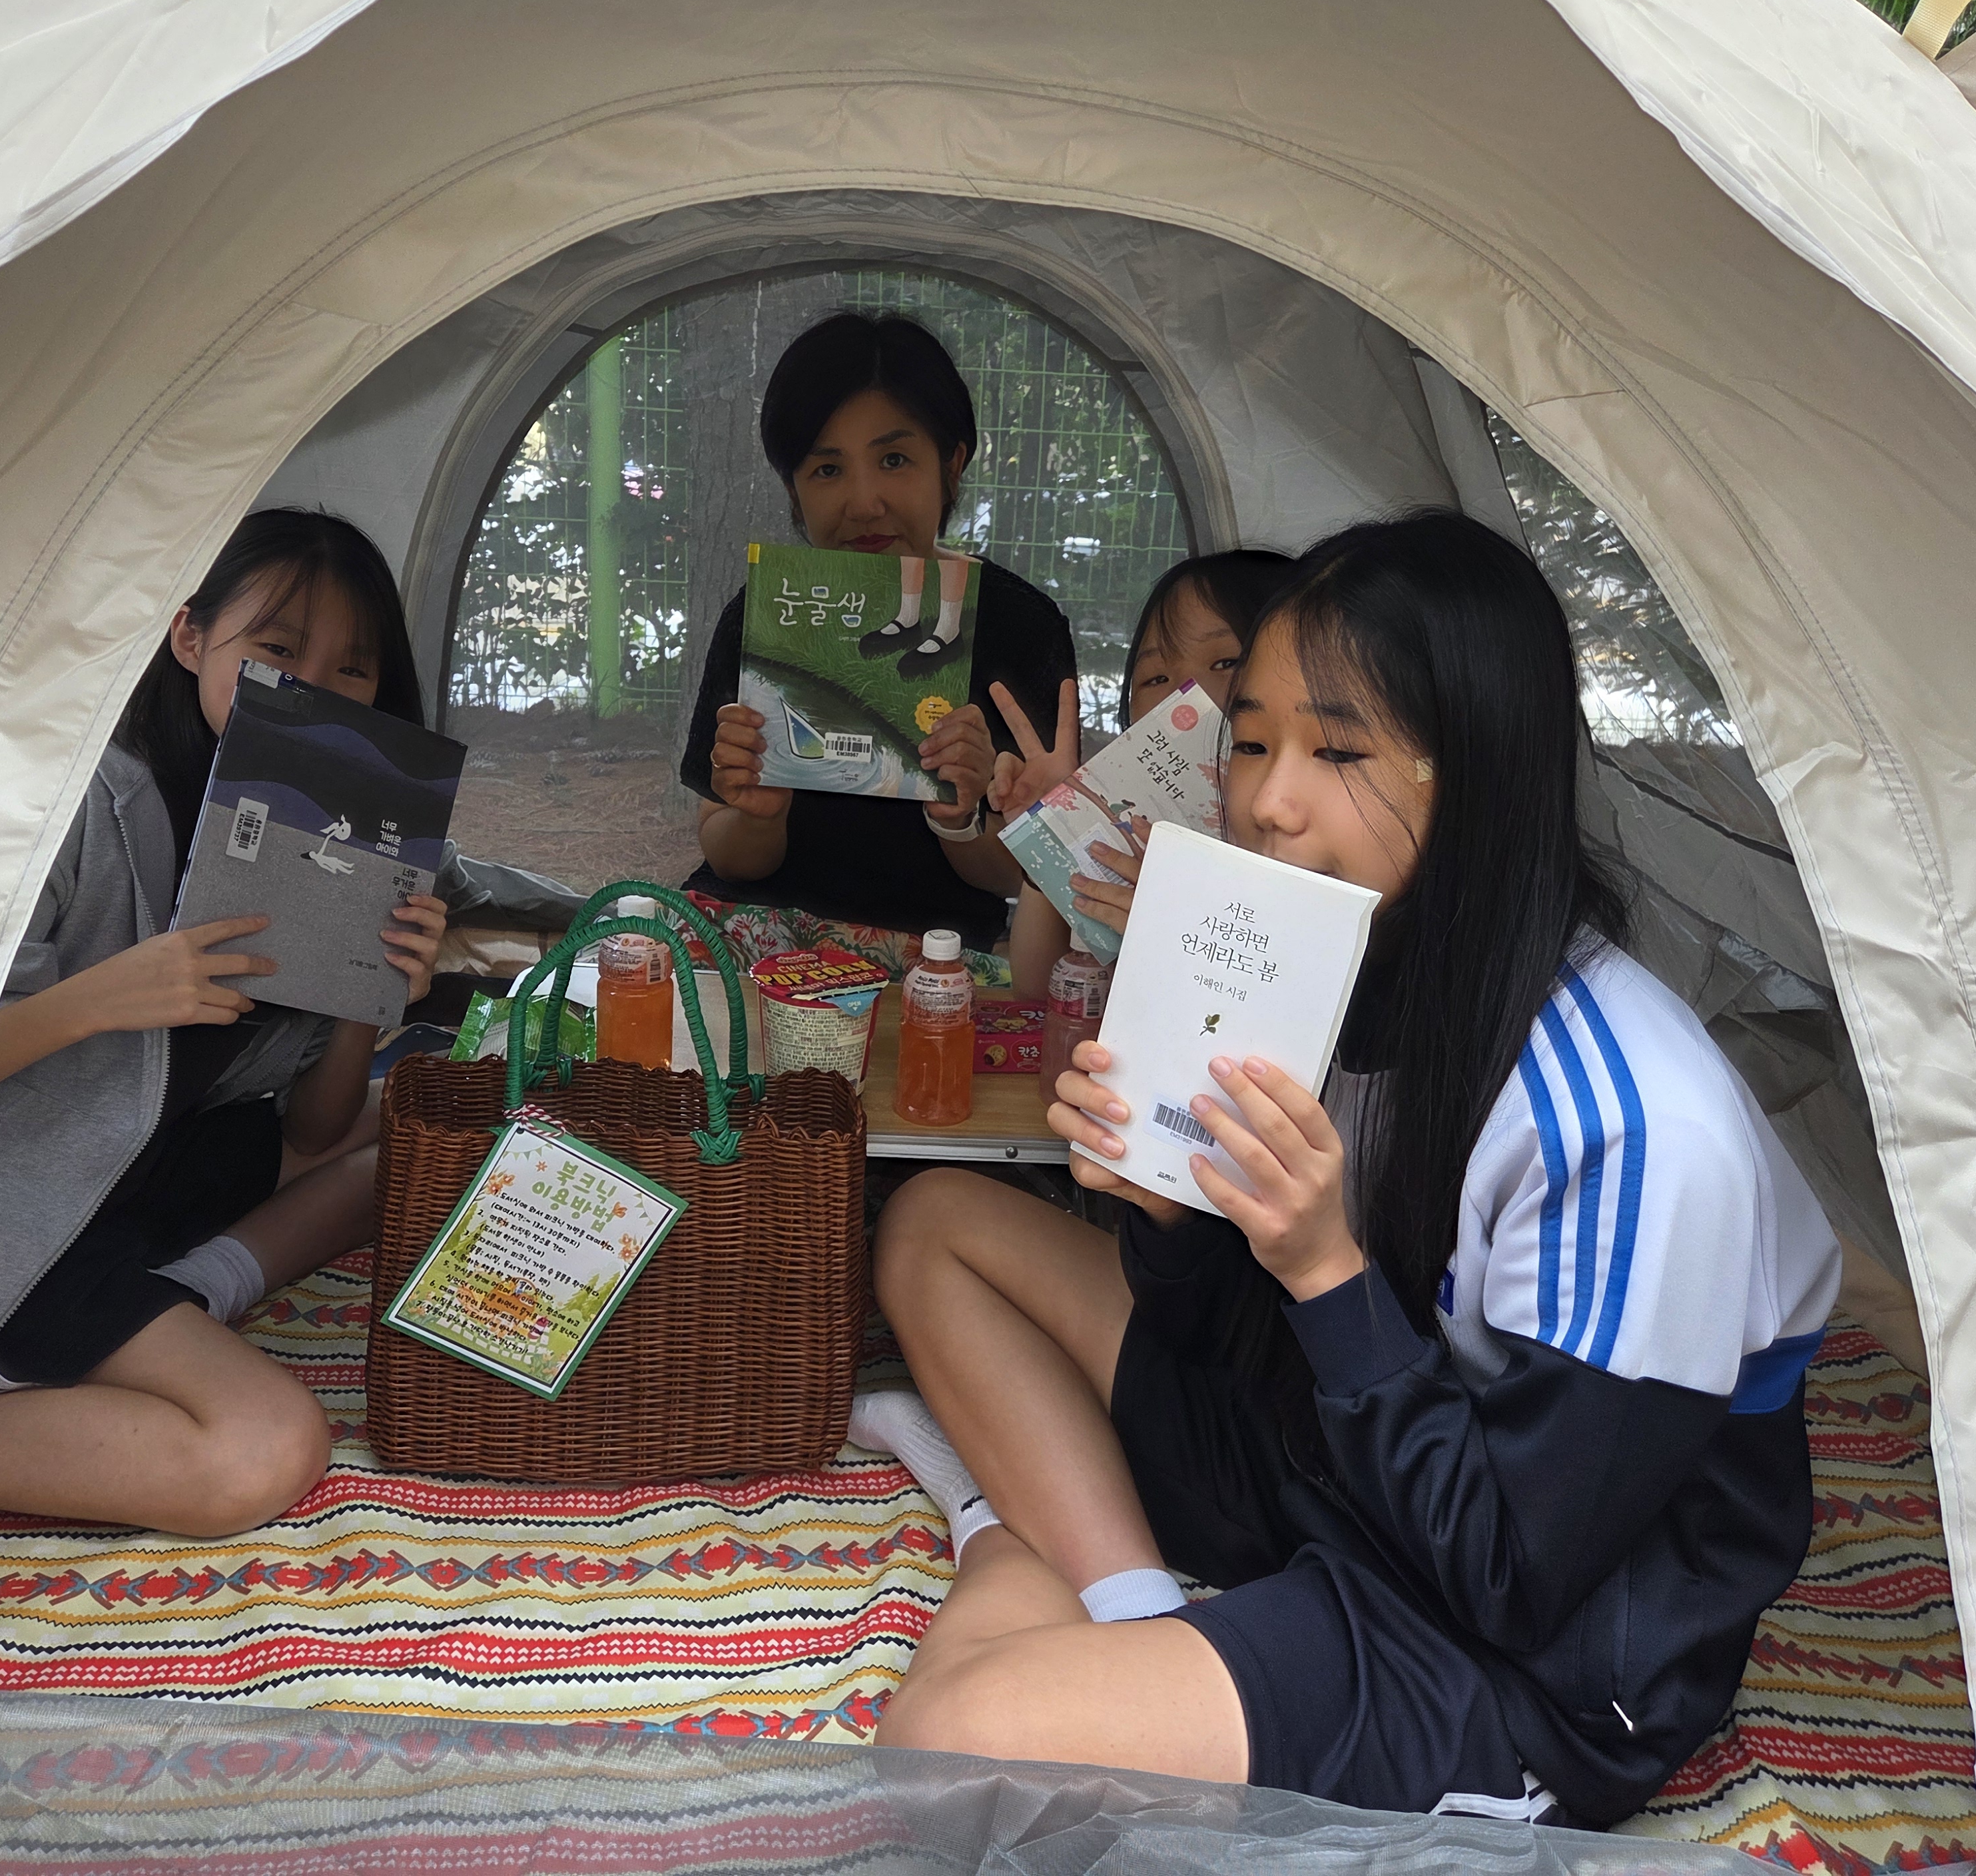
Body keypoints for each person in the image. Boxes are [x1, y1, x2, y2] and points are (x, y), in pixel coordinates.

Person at [858, 512, 1841, 1825]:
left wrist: (1321, 1267)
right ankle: (1130, 1601)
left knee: (953, 1748)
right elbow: (1231, 1337)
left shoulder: (1632, 1127)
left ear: (1476, 770)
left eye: (1338, 749)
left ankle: (1007, 1549)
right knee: (933, 1223)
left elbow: (1513, 1577)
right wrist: (1170, 1214)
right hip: (1338, 1471)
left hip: (1525, 1653)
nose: (1267, 799)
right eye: (1250, 739)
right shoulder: (1330, 965)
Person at [0, 509, 450, 1537]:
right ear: (190, 639)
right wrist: (103, 998)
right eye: (276, 648)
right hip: (1, 1208)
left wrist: (378, 991)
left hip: (142, 1175)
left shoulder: (342, 835)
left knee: (405, 1145)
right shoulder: (79, 806)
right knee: (263, 1449)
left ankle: (183, 1289)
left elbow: (311, 1132)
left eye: (350, 669)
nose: (312, 686)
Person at [679, 312, 1078, 968]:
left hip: (931, 959)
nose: (864, 502)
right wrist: (758, 815)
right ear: (793, 487)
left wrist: (958, 813)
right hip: (751, 941)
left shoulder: (1020, 627)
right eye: (826, 470)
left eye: (894, 459)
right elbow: (725, 850)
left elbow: (1019, 879)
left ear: (952, 465)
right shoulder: (765, 614)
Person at [998, 548, 1297, 994]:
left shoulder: (1298, 834)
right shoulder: (1137, 833)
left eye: (1225, 662)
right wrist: (1059, 833)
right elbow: (1039, 989)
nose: (1184, 695)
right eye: (1155, 679)